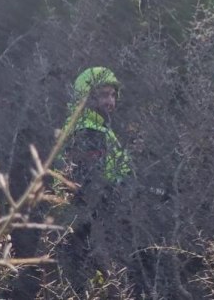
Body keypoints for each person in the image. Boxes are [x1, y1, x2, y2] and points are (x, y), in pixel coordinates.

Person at [53, 66, 133, 289]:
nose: (110, 101)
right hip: (85, 225)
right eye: (103, 95)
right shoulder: (89, 131)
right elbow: (87, 184)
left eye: (113, 95)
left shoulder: (94, 127)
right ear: (86, 98)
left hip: (83, 223)